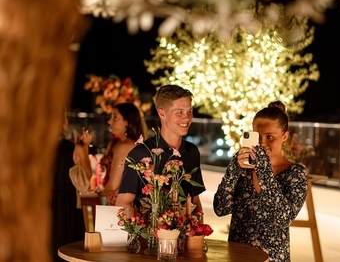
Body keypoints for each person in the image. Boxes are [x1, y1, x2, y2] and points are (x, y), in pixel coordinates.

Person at [213, 101, 308, 262]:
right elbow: (221, 209)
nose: (262, 143)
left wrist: (263, 170)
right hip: (237, 256)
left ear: (284, 136)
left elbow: (283, 219)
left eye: (270, 137)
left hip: (272, 259)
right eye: (258, 136)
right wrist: (233, 170)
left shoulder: (295, 173)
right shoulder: (243, 171)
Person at [116, 85, 205, 216]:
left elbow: (195, 201)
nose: (187, 117)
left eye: (189, 111)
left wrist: (198, 234)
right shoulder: (140, 154)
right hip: (148, 235)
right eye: (179, 112)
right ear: (162, 113)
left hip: (184, 234)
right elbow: (123, 203)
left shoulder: (192, 152)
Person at [51, 111, 86, 262]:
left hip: (46, 202)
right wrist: (83, 149)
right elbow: (84, 182)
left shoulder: (36, 147)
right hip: (66, 205)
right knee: (66, 246)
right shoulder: (71, 148)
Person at [97, 102, 148, 205]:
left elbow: (113, 186)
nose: (109, 121)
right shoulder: (115, 143)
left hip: (120, 205)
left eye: (115, 117)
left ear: (128, 122)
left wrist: (96, 195)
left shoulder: (124, 147)